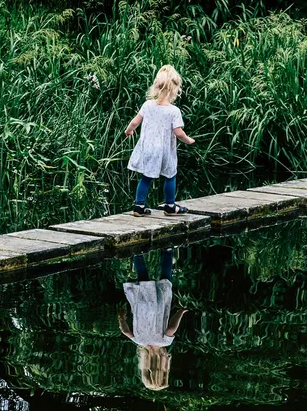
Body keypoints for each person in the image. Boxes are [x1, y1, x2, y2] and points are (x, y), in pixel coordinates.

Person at [124, 65, 195, 217]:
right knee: (170, 175)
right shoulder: (173, 111)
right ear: (174, 89)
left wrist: (129, 130)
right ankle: (170, 205)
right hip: (164, 150)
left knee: (146, 177)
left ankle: (139, 206)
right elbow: (178, 132)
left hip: (147, 148)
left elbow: (135, 122)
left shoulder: (147, 105)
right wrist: (188, 140)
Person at [119, 249, 187, 391]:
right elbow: (125, 331)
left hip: (159, 304)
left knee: (166, 277)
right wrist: (121, 317)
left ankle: (168, 250)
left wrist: (180, 312)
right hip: (143, 304)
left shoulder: (165, 341)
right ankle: (137, 253)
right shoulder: (139, 341)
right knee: (142, 275)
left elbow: (171, 329)